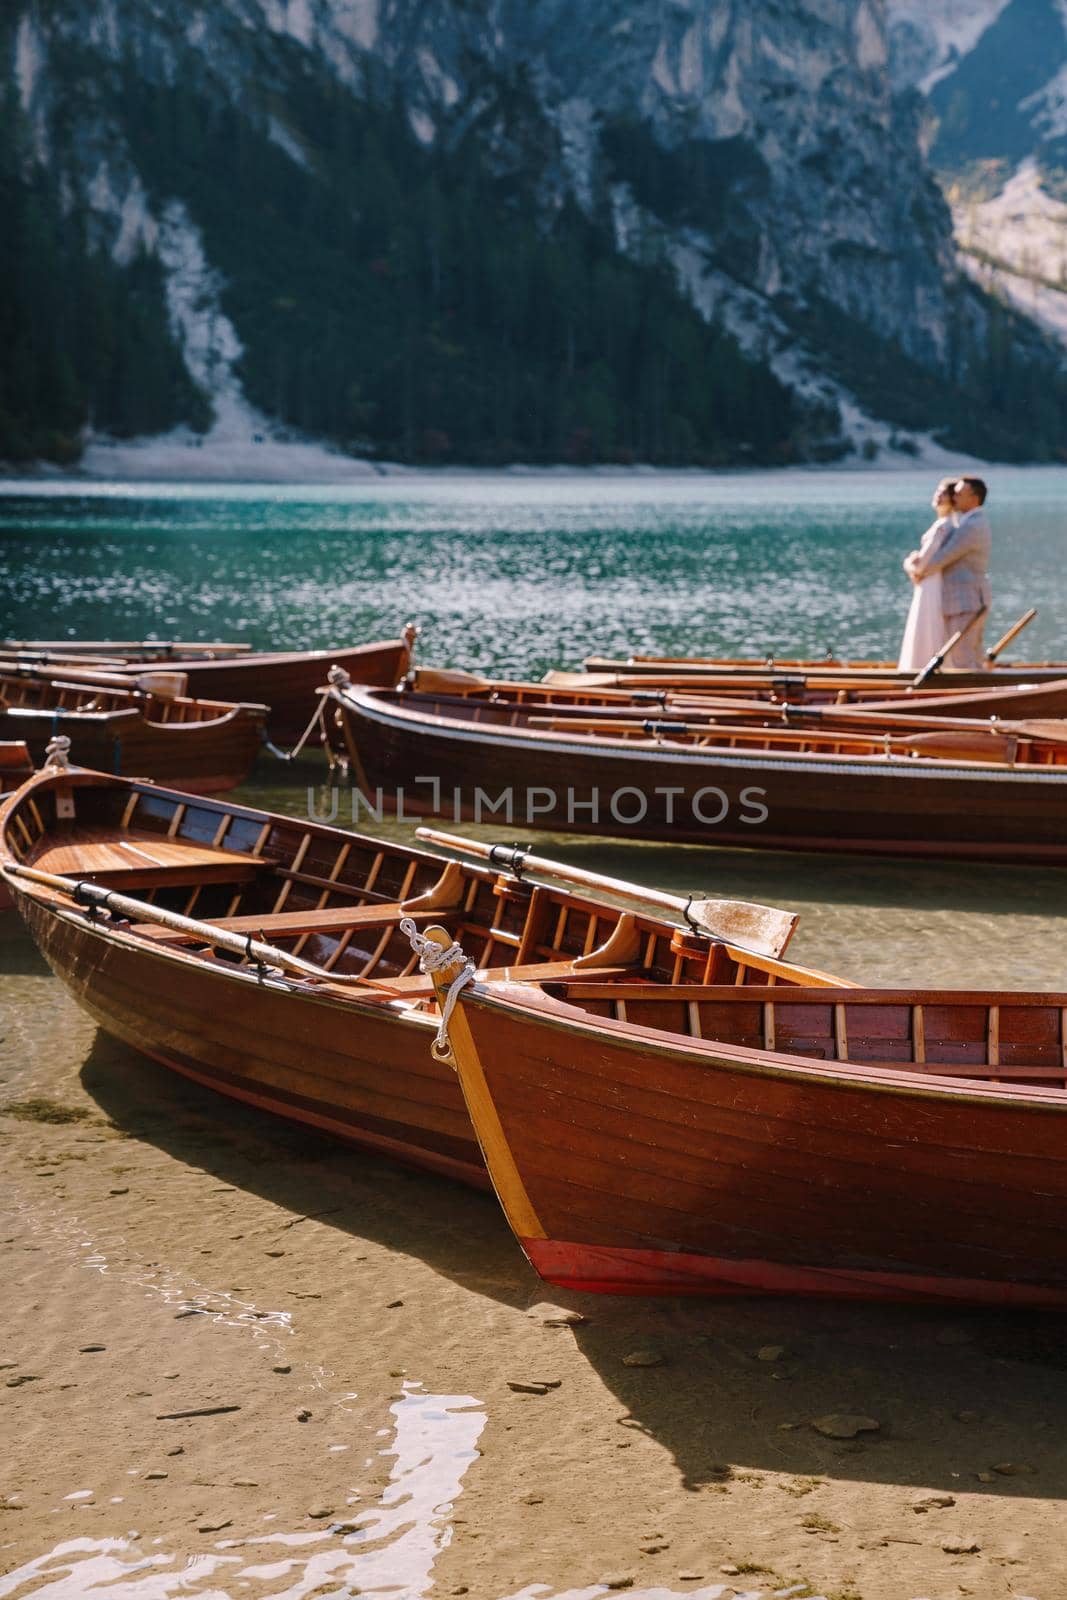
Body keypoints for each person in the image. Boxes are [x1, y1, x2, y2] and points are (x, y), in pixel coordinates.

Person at [902, 476, 992, 670]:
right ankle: (979, 692)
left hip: (966, 601)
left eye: (960, 494)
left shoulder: (971, 526)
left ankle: (974, 695)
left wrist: (910, 565)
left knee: (964, 657)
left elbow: (941, 558)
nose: (955, 497)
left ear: (974, 498)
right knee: (969, 655)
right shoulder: (967, 523)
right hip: (966, 600)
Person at [898, 478, 956, 671]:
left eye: (944, 494)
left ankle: (918, 666)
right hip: (932, 581)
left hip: (930, 583)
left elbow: (922, 564)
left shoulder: (942, 526)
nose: (938, 496)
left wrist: (908, 562)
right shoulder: (948, 525)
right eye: (938, 492)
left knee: (926, 624)